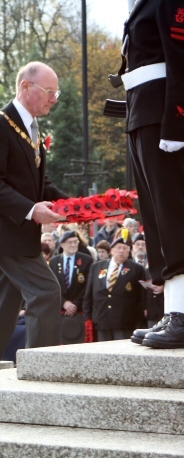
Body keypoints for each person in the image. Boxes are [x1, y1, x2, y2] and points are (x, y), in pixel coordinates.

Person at [0, 61, 68, 373]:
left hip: (17, 233)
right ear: (25, 87)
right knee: (46, 292)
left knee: (1, 306)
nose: (54, 99)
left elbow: (39, 185)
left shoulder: (31, 129)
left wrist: (74, 205)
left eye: (55, 92)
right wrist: (33, 210)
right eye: (50, 92)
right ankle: (41, 373)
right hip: (6, 232)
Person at [120, 0, 184, 348]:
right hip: (142, 109)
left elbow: (179, 57)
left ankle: (183, 314)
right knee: (158, 222)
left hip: (163, 112)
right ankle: (175, 309)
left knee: (173, 217)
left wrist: (176, 121)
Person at [83, 235, 146, 341]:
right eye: (119, 247)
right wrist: (87, 316)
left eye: (125, 248)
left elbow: (142, 296)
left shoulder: (136, 269)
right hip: (101, 319)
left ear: (129, 252)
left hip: (124, 321)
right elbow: (89, 293)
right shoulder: (97, 266)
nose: (121, 251)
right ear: (111, 250)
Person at [49, 230, 93, 344]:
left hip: (80, 310)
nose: (73, 245)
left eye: (75, 242)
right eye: (70, 242)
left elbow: (88, 286)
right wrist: (64, 303)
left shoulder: (86, 260)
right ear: (62, 244)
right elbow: (52, 286)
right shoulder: (54, 262)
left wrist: (75, 304)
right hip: (60, 310)